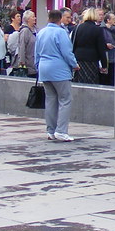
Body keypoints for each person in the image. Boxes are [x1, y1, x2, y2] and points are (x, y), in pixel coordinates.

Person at [35, 9, 79, 142]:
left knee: (50, 100)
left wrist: (38, 67)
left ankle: (51, 131)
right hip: (59, 70)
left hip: (44, 69)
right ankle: (61, 131)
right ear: (60, 19)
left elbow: (36, 53)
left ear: (48, 18)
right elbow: (67, 52)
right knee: (65, 100)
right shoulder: (61, 32)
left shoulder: (41, 32)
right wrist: (74, 64)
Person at [72, 8, 109, 84]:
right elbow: (101, 49)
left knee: (79, 81)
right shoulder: (98, 30)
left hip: (78, 59)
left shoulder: (77, 28)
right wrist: (104, 65)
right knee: (91, 82)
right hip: (92, 60)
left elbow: (73, 44)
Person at [13, 10, 38, 77]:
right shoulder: (25, 31)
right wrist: (22, 63)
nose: (35, 18)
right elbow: (22, 47)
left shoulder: (35, 29)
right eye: (33, 17)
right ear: (28, 19)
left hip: (35, 64)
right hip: (28, 65)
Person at [103, 12, 115, 85]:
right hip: (107, 55)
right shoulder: (102, 29)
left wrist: (111, 28)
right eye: (113, 19)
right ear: (108, 20)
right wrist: (105, 45)